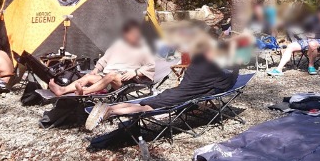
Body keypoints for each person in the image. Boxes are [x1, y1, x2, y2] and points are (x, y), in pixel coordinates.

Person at [85, 35, 236, 131]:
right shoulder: (214, 69)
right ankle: (111, 111)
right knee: (145, 107)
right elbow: (224, 84)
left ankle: (108, 106)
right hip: (180, 97)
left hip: (173, 91)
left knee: (143, 103)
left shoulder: (196, 61)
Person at [48, 20, 155, 96]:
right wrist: (95, 70)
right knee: (88, 77)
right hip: (107, 77)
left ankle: (84, 92)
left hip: (127, 80)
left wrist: (136, 73)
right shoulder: (119, 44)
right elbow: (105, 59)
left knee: (111, 75)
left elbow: (151, 65)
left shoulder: (143, 48)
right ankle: (62, 90)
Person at [267, 4, 320, 76]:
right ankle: (279, 69)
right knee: (290, 46)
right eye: (319, 12)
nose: (319, 14)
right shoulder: (313, 18)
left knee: (312, 44)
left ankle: (311, 66)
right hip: (305, 40)